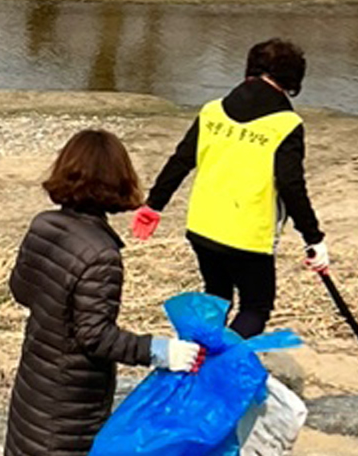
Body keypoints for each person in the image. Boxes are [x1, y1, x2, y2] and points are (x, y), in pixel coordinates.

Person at [0, 129, 204, 456]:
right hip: (70, 408)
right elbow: (96, 337)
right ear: (117, 182)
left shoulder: (44, 225)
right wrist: (162, 351)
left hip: (38, 388)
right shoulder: (102, 255)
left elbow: (22, 290)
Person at [132, 39, 328, 340]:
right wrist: (313, 238)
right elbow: (291, 185)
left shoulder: (213, 111)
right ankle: (214, 361)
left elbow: (181, 160)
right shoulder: (286, 124)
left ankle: (201, 357)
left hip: (202, 227)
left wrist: (153, 205)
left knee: (217, 296)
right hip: (248, 237)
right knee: (255, 308)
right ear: (292, 79)